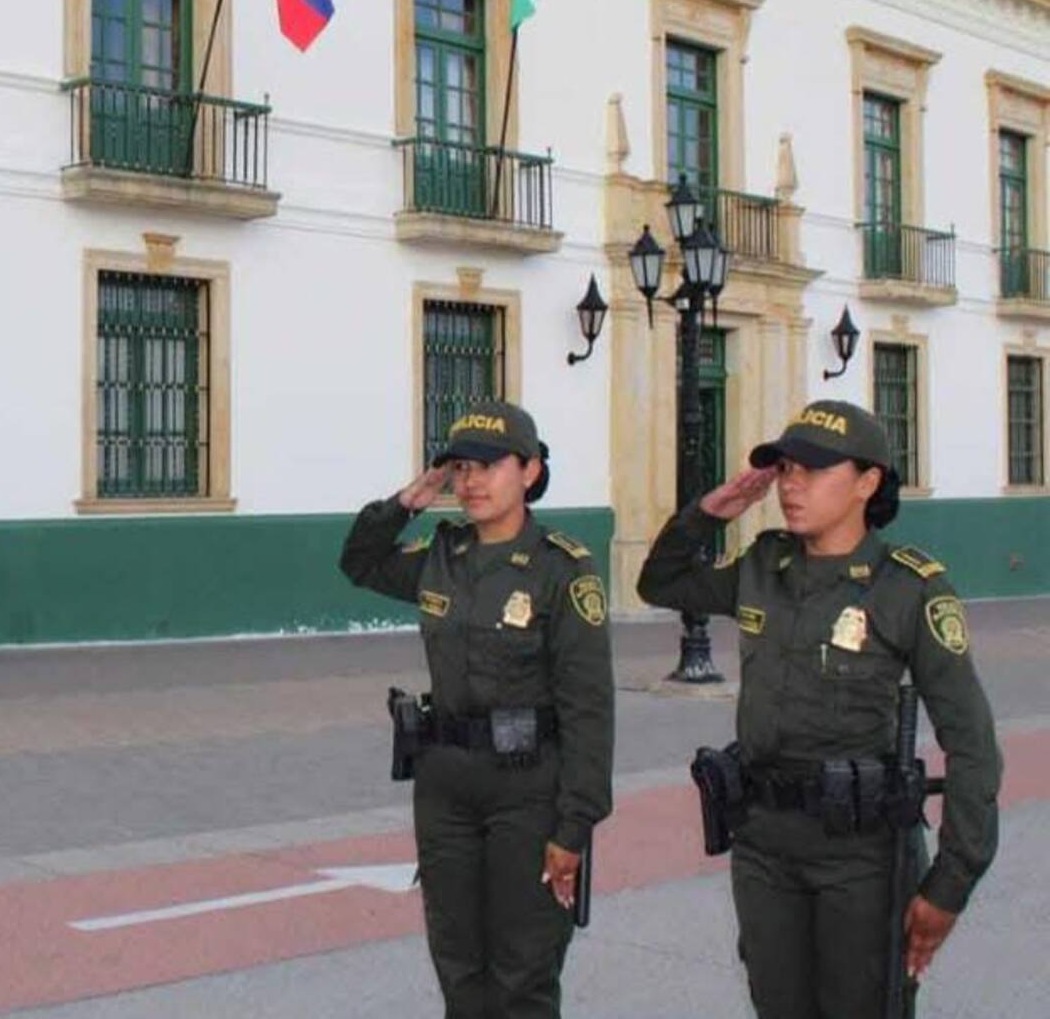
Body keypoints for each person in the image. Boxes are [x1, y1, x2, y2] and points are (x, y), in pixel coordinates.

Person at [638, 399, 1001, 1019]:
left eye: (813, 468)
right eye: (784, 468)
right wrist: (711, 512)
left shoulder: (907, 587)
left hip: (861, 855)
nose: (791, 483)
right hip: (764, 845)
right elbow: (660, 583)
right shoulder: (762, 566)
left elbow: (971, 743)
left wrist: (950, 883)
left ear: (867, 482)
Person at [340, 401, 614, 1019]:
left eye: (488, 466)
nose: (471, 481)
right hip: (445, 788)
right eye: (460, 468)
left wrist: (575, 827)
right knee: (458, 966)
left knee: (523, 974)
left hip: (527, 790)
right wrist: (411, 499)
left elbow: (590, 709)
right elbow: (359, 561)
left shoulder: (562, 570)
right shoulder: (445, 554)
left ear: (531, 471)